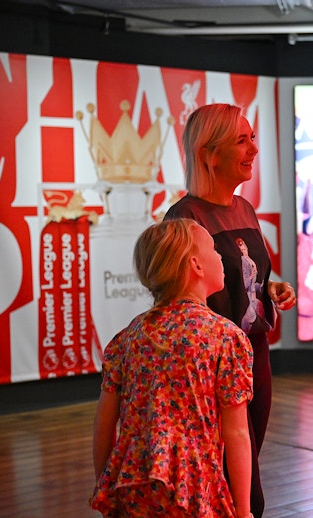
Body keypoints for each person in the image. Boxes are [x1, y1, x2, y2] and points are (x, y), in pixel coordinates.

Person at [164, 103, 297, 518]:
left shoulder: (245, 209)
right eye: (241, 141)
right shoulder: (184, 217)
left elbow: (245, 274)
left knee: (247, 449)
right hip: (210, 363)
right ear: (210, 153)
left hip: (253, 351)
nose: (253, 150)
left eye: (252, 138)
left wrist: (270, 287)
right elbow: (176, 299)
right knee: (224, 457)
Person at [91, 218, 254, 518]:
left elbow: (104, 425)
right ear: (197, 266)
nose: (220, 255)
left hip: (133, 486)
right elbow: (237, 433)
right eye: (214, 249)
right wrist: (244, 511)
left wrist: (107, 485)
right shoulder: (225, 338)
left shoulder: (127, 338)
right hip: (193, 487)